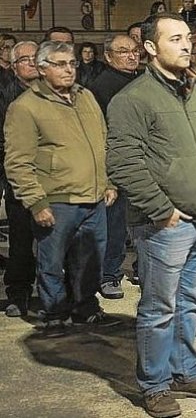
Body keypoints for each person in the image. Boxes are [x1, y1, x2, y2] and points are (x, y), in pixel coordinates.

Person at [106, 15, 196, 417]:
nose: (185, 45)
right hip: (166, 223)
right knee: (159, 307)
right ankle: (155, 384)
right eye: (175, 39)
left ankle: (186, 372)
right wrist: (162, 211)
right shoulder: (133, 99)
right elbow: (124, 163)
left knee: (191, 300)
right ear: (149, 48)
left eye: (187, 38)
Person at [4, 40, 117, 336]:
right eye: (60, 64)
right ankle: (53, 314)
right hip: (56, 200)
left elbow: (103, 142)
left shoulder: (86, 97)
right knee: (51, 262)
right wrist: (36, 202)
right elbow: (18, 162)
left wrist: (108, 181)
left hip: (93, 196)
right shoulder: (25, 108)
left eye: (72, 64)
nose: (69, 70)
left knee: (91, 259)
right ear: (42, 69)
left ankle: (84, 308)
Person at [87, 34, 143, 299]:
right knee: (115, 225)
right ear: (108, 56)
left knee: (145, 222)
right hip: (117, 166)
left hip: (146, 164)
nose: (132, 55)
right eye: (123, 51)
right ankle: (109, 275)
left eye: (134, 51)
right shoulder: (101, 86)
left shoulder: (144, 80)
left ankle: (144, 269)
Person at [1, 41, 39, 317]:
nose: (33, 62)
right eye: (25, 59)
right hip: (19, 175)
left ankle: (59, 293)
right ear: (14, 66)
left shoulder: (56, 91)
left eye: (37, 57)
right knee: (22, 236)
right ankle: (18, 290)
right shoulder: (5, 94)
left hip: (55, 175)